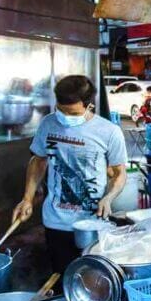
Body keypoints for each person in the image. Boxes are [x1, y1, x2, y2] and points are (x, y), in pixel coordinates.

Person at [13, 75, 128, 274]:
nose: (65, 116)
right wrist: (27, 198)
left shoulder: (109, 132)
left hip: (92, 222)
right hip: (56, 220)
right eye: (61, 110)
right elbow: (38, 160)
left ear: (89, 105)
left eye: (72, 112)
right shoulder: (48, 124)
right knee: (61, 277)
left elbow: (119, 174)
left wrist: (109, 198)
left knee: (92, 277)